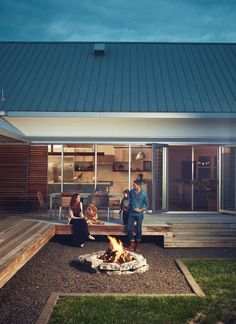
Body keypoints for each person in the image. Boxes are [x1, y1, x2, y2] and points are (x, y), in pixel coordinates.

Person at [127, 180, 149, 252]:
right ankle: (132, 243)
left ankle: (138, 244)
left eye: (134, 185)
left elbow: (147, 205)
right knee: (129, 228)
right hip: (131, 213)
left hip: (139, 214)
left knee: (139, 229)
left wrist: (141, 209)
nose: (133, 186)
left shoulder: (144, 194)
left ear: (138, 185)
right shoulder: (131, 192)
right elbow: (128, 200)